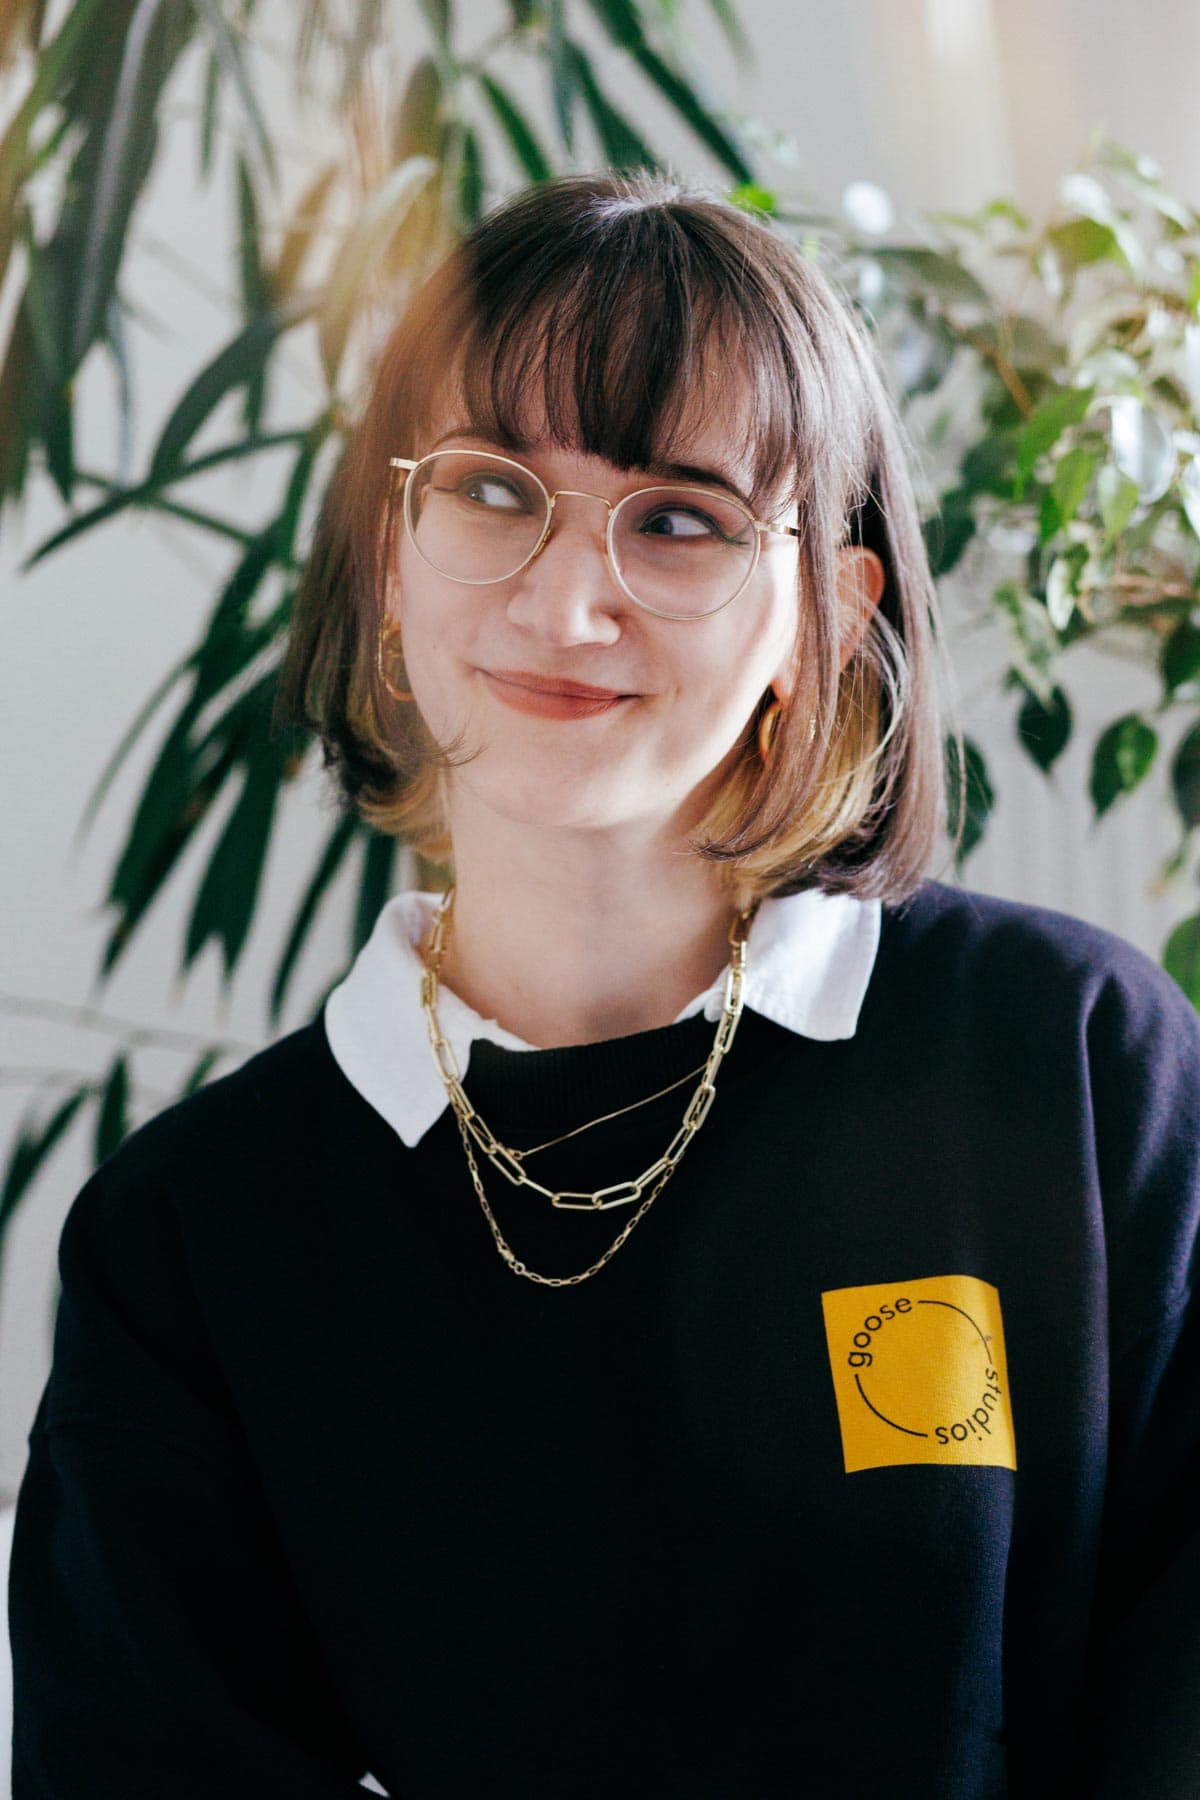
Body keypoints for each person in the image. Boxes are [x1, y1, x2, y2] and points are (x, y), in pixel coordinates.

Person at [7, 171, 1199, 1800]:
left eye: (682, 518)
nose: (568, 603)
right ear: (390, 548)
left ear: (821, 617)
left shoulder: (1067, 1065)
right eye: (495, 493)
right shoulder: (199, 1239)